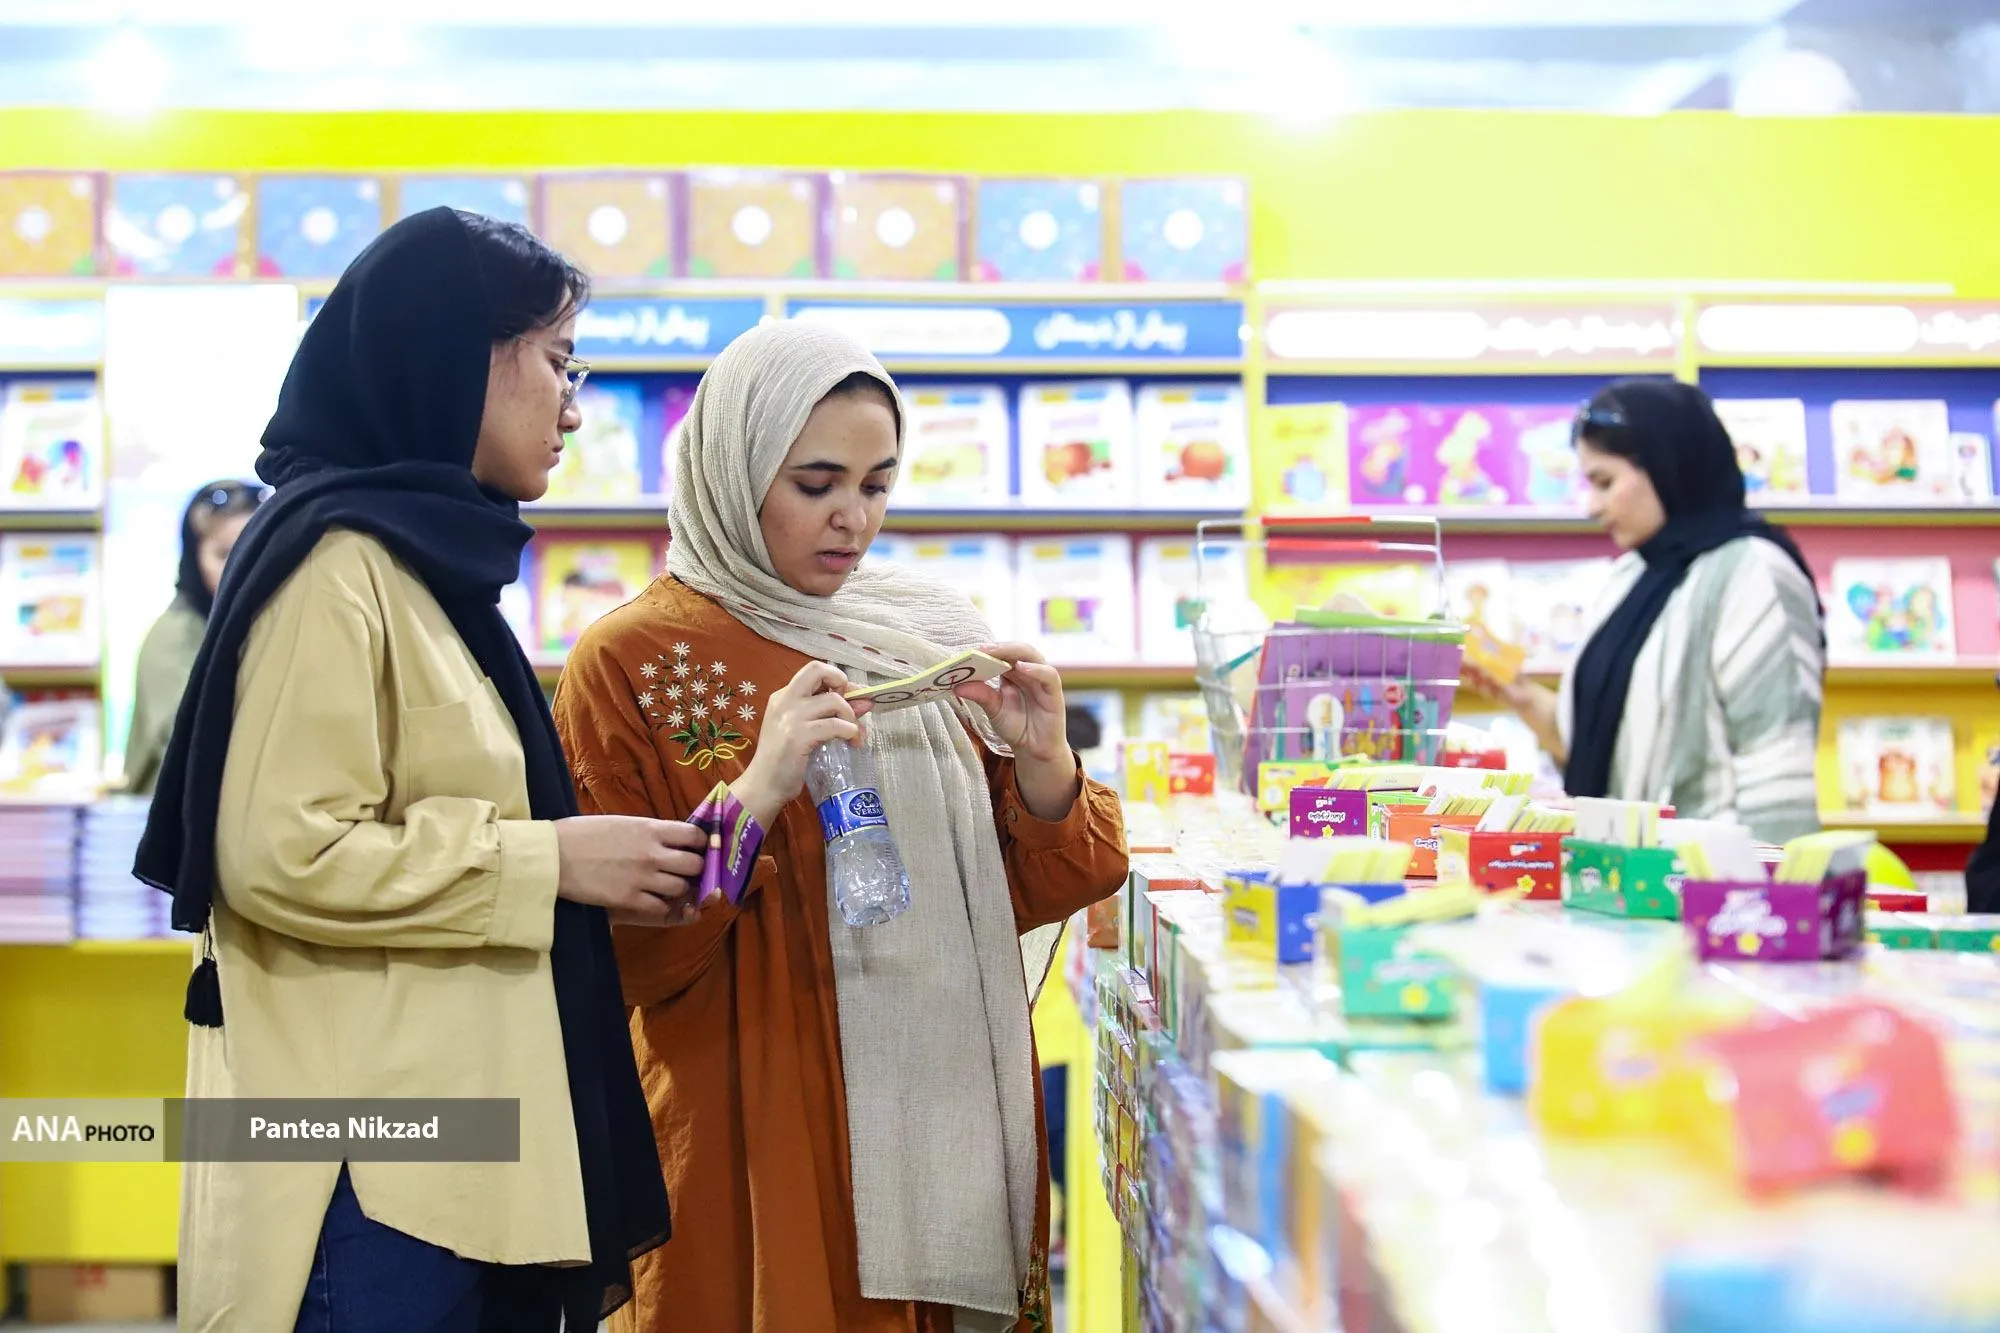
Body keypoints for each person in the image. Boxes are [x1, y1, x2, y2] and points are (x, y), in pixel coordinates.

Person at [132, 208, 697, 1333]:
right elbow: (280, 850)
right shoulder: (334, 569)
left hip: (445, 1153)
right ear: (457, 356)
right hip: (367, 1176)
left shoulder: (424, 566)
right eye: (558, 361)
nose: (574, 406)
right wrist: (549, 862)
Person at [551, 320, 1130, 1333]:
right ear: (733, 469)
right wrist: (759, 786)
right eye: (815, 483)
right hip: (747, 1123)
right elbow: (625, 960)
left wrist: (1043, 764)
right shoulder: (631, 659)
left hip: (932, 1123)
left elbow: (1035, 885)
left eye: (876, 484)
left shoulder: (919, 637)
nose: (851, 518)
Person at [1475, 379, 1824, 844]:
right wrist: (1520, 695)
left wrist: (1766, 885)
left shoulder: (1752, 573)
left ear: (1667, 466)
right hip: (1624, 872)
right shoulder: (1633, 574)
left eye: (1605, 482)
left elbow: (1778, 771)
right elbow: (1605, 752)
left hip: (1705, 874)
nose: (1591, 506)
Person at [123, 479, 268, 795]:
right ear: (194, 558)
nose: (240, 566)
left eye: (253, 550)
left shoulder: (263, 625)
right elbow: (192, 748)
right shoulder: (173, 637)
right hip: (175, 815)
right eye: (223, 554)